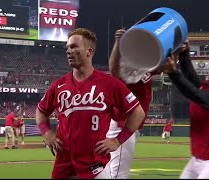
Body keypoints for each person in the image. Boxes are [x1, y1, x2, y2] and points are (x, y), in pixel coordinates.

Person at [36, 28, 145, 179]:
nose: (68, 51)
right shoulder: (58, 86)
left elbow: (138, 112)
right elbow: (41, 111)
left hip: (97, 166)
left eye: (74, 47)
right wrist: (47, 133)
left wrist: (117, 140)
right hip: (63, 166)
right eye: (67, 47)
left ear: (89, 51)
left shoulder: (109, 84)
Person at [164, 40, 209, 179]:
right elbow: (191, 77)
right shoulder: (207, 89)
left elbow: (194, 93)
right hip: (197, 158)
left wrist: (174, 72)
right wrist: (185, 53)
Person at [106, 29, 160, 179]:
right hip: (122, 125)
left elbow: (164, 65)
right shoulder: (128, 68)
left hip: (127, 125)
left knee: (111, 171)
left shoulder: (145, 67)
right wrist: (118, 43)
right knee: (118, 174)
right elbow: (114, 70)